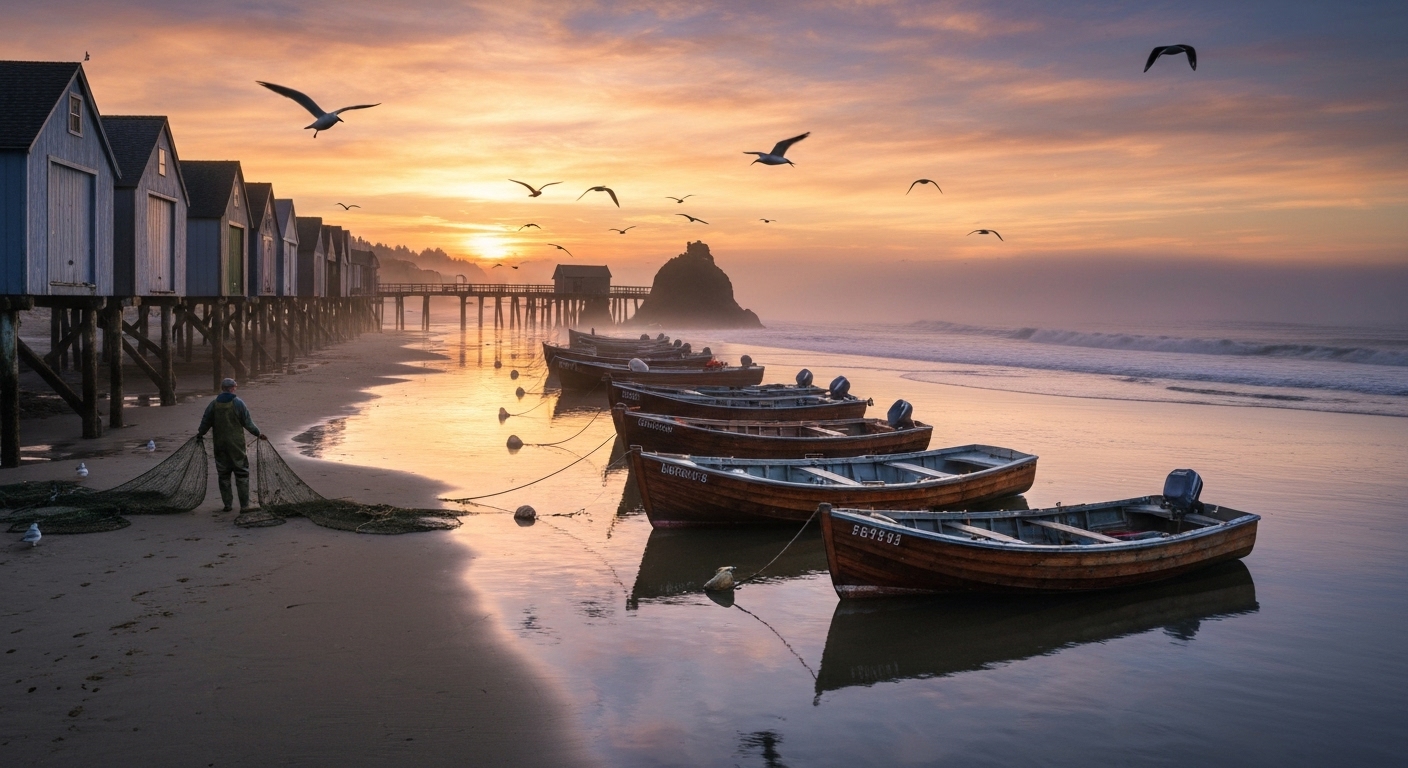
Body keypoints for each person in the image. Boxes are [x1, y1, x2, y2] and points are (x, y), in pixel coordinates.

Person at [197, 378, 267, 512]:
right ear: (232, 388)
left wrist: (201, 433)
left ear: (222, 388)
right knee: (241, 473)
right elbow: (248, 422)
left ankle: (227, 505)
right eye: (235, 387)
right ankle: (244, 505)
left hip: (219, 444)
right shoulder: (238, 403)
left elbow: (205, 421)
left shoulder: (214, 404)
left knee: (223, 474)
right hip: (236, 444)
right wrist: (258, 433)